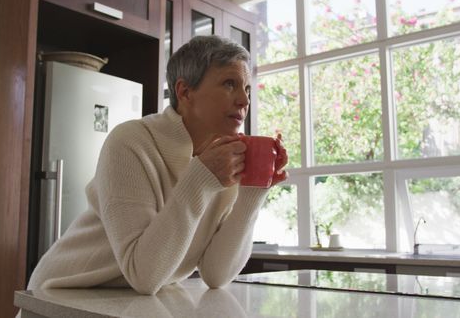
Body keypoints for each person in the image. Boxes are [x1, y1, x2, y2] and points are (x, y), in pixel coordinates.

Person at [26, 35, 288, 296]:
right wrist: (201, 179)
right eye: (230, 84)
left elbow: (216, 274)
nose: (244, 100)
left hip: (128, 305)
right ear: (184, 92)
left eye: (248, 88)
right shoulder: (131, 141)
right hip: (61, 296)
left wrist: (254, 190)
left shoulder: (224, 159)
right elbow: (144, 275)